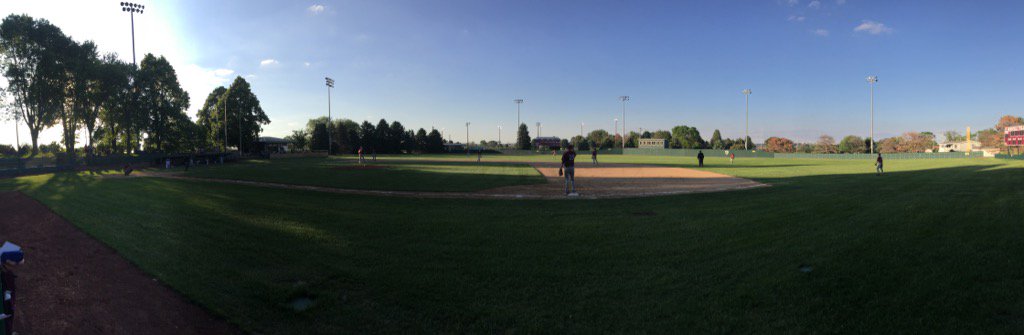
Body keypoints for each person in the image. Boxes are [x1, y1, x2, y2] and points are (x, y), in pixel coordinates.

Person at [1, 242, 25, 335]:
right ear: (8, 261)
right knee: (7, 313)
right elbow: (8, 296)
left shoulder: (2, 256)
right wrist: (10, 303)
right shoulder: (7, 277)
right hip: (5, 303)